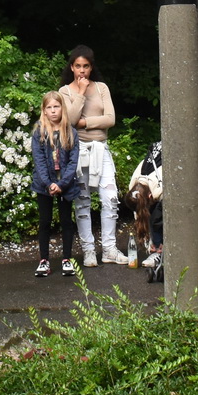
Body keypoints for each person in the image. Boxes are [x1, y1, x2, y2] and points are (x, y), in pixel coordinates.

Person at [59, 46, 126, 266]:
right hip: (79, 150)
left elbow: (110, 118)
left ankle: (109, 248)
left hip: (101, 147)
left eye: (85, 66)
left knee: (110, 197)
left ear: (91, 67)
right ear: (72, 67)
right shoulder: (65, 92)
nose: (82, 71)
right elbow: (69, 120)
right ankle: (89, 250)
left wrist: (86, 123)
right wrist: (79, 93)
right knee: (83, 201)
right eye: (78, 66)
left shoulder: (102, 88)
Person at [31, 91, 82, 277]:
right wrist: (49, 184)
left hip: (65, 184)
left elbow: (73, 162)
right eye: (49, 107)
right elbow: (39, 161)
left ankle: (66, 259)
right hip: (44, 185)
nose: (53, 111)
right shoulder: (39, 132)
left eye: (56, 107)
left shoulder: (71, 132)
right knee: (45, 222)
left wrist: (61, 184)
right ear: (44, 111)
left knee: (66, 222)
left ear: (62, 108)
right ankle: (44, 260)